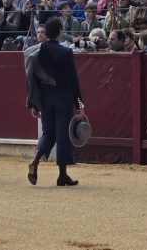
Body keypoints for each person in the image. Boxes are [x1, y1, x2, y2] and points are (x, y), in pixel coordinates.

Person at [25, 17, 84, 187]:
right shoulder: (65, 52)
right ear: (60, 33)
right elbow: (74, 80)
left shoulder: (35, 51)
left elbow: (30, 79)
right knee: (62, 134)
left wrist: (33, 103)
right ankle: (62, 175)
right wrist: (80, 104)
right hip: (63, 97)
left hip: (45, 97)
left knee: (48, 133)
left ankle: (35, 160)